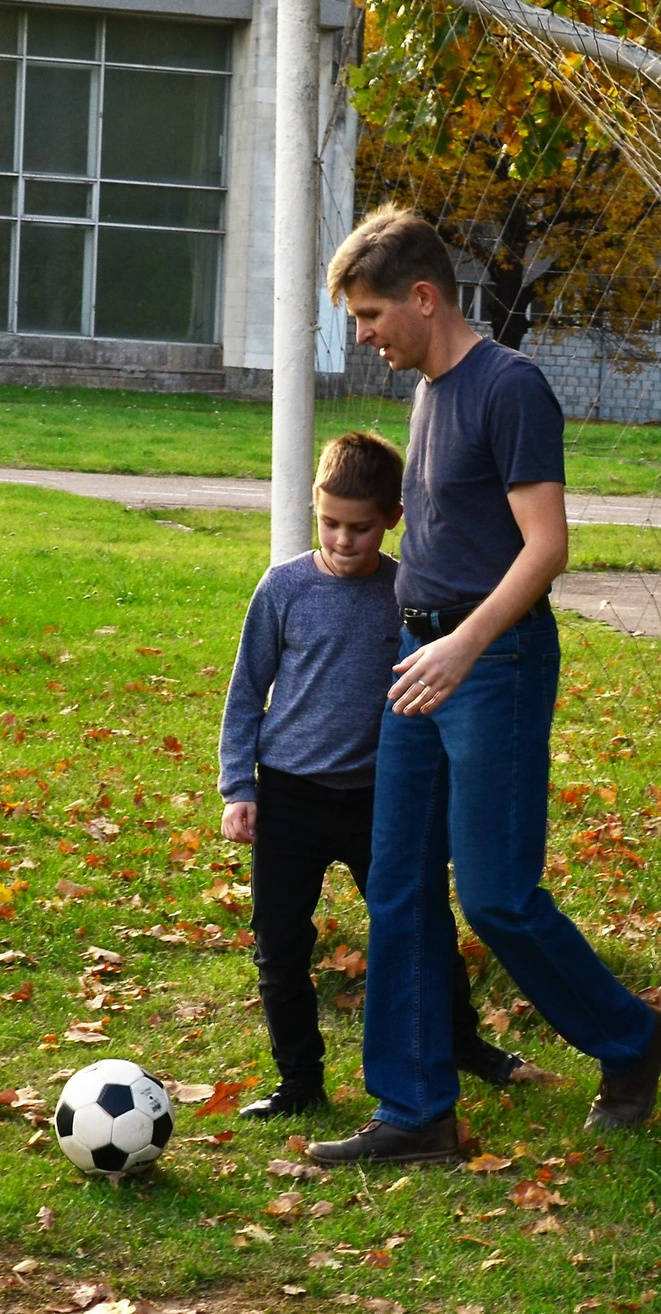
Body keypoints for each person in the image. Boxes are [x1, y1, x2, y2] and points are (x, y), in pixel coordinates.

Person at [307, 206, 661, 1168]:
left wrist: (462, 649)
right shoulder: (431, 389)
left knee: (499, 896)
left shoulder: (510, 388)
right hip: (418, 664)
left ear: (424, 298)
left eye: (372, 315)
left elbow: (547, 548)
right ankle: (416, 1111)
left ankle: (634, 1041)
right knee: (398, 887)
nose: (364, 336)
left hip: (489, 666)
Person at [219, 430, 527, 1120]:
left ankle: (464, 1045)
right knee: (280, 944)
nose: (342, 540)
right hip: (290, 796)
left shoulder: (406, 594)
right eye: (329, 523)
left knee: (421, 925)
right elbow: (246, 693)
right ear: (314, 511)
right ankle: (300, 1082)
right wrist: (239, 786)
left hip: (379, 799)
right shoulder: (284, 589)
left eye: (360, 527)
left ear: (392, 519)